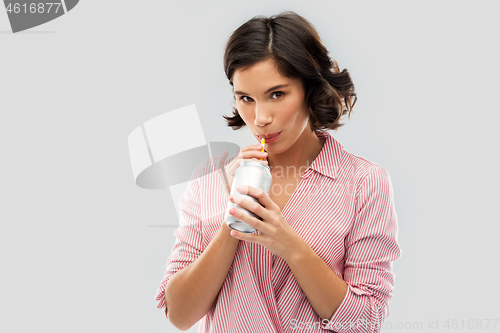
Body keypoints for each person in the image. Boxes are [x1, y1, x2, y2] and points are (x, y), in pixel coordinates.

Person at [155, 11, 401, 333]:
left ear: (310, 90)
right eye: (246, 98)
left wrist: (290, 246)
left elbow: (366, 321)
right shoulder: (210, 181)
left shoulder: (363, 182)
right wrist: (234, 222)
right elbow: (179, 315)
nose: (259, 118)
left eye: (277, 94)